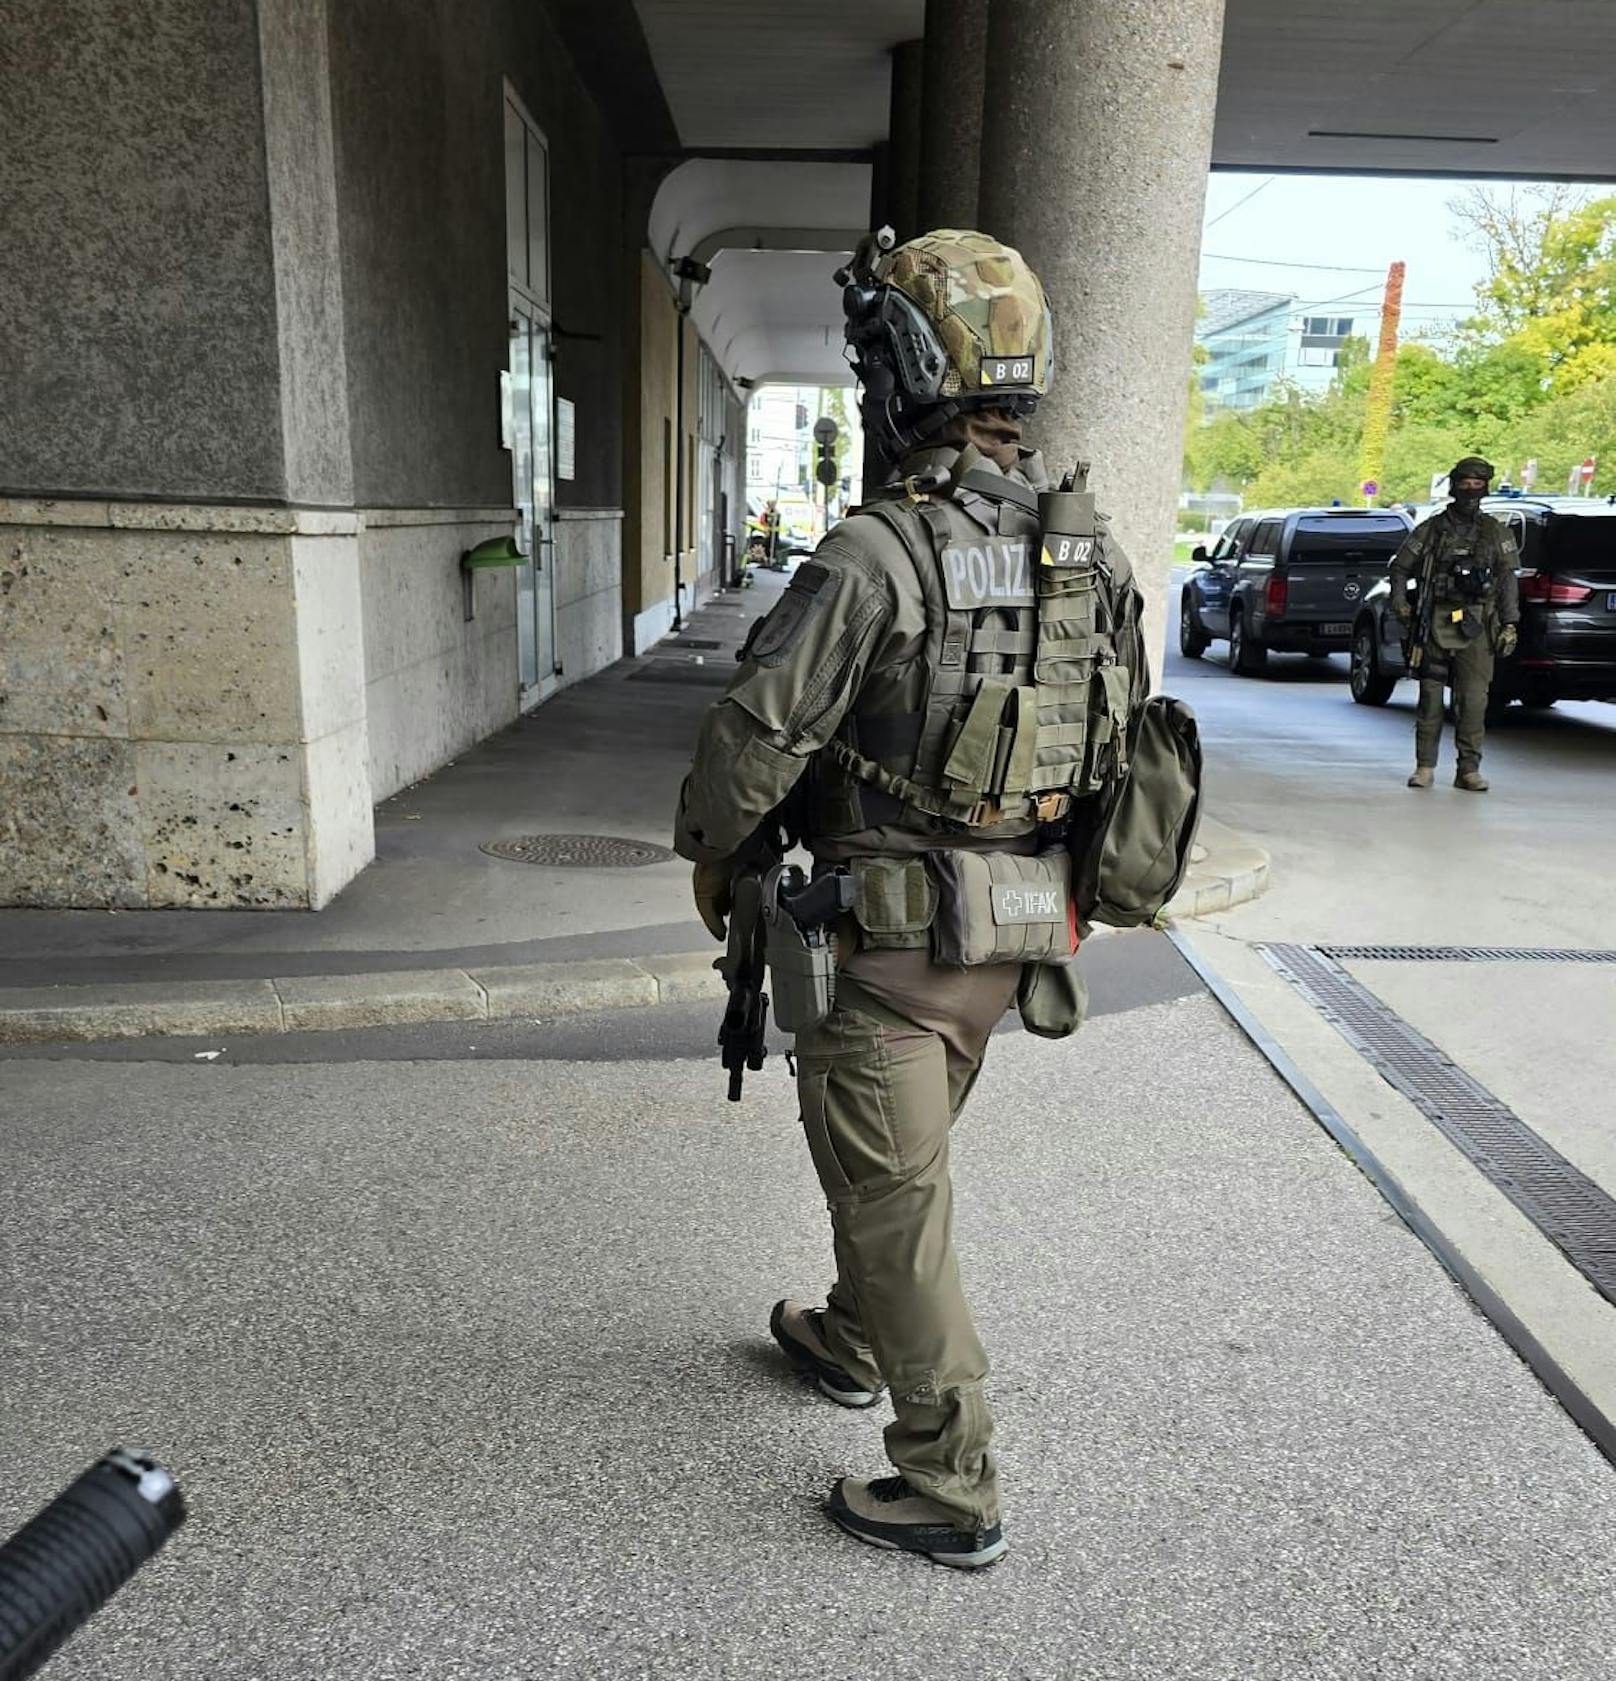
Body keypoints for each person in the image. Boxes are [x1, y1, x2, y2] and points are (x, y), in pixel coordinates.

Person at [673, 229, 1145, 1569]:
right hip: (1016, 936)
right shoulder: (1087, 552)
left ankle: (951, 1475)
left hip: (884, 943)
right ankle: (850, 1331)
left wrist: (715, 851)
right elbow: (1118, 741)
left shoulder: (880, 554)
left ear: (897, 372)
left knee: (901, 1200)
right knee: (898, 1168)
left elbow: (752, 741)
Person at [1388, 455, 1520, 791]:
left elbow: (1507, 579)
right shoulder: (1431, 529)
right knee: (1430, 698)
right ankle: (1425, 766)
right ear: (1454, 485)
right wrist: (1400, 601)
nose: (1471, 490)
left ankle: (1468, 769)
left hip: (1478, 625)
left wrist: (1510, 623)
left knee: (1474, 700)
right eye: (1466, 483)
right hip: (1435, 622)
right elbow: (1400, 567)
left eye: (1478, 484)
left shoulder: (1495, 531)